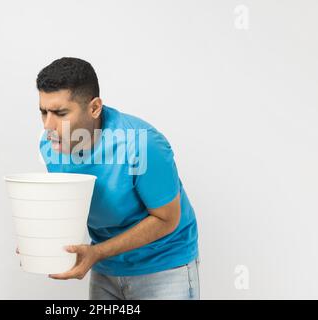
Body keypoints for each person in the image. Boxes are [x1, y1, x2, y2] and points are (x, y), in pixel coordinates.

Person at [18, 57, 200, 300]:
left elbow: (167, 219)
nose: (49, 125)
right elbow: (69, 204)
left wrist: (98, 252)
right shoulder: (51, 145)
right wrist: (39, 241)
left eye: (60, 113)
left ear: (94, 108)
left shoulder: (141, 144)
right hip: (105, 266)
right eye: (44, 112)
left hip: (164, 266)